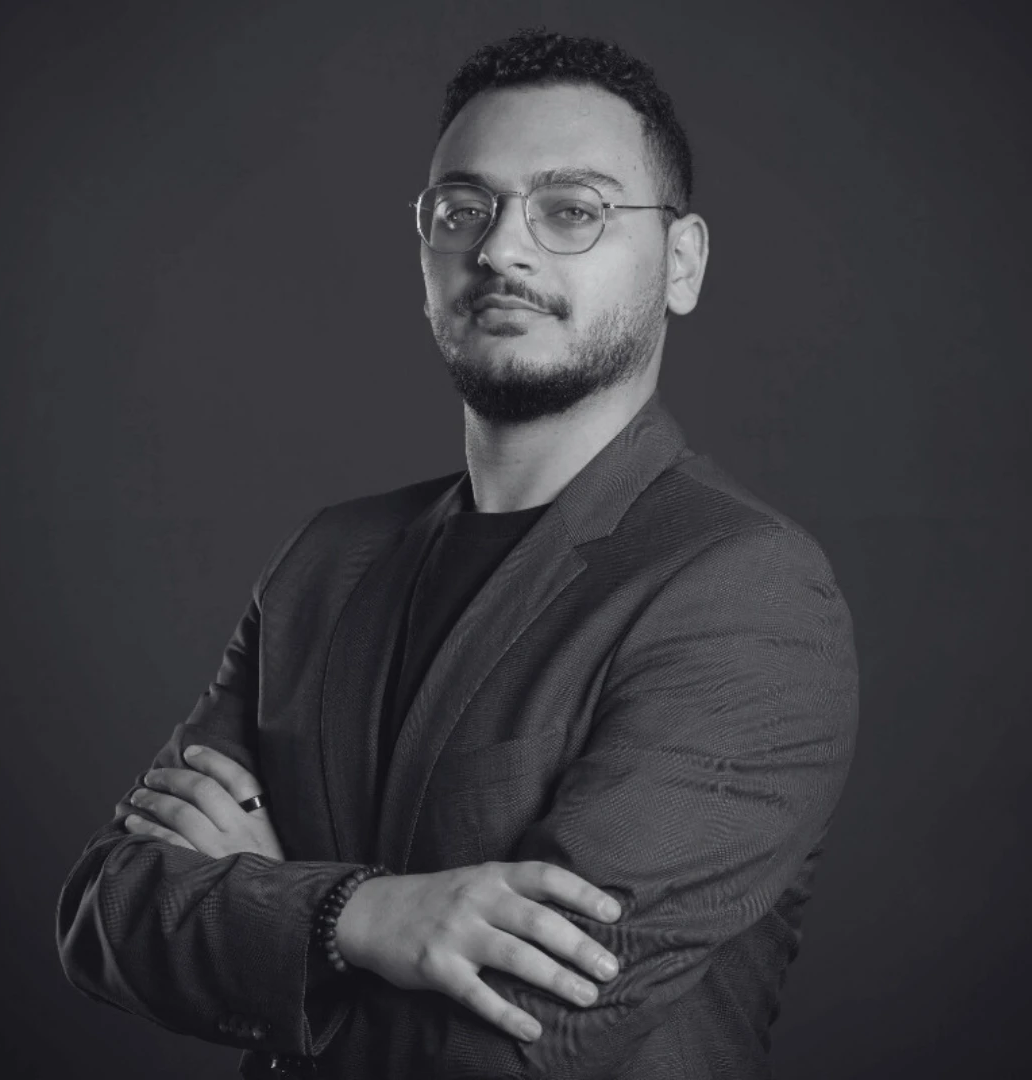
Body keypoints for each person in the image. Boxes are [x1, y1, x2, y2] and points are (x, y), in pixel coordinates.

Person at [56, 27, 859, 1080]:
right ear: (425, 252)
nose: (501, 250)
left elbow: (515, 1039)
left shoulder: (742, 593)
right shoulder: (324, 561)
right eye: (462, 210)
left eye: (572, 210)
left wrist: (275, 914)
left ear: (683, 262)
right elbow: (104, 911)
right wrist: (364, 916)